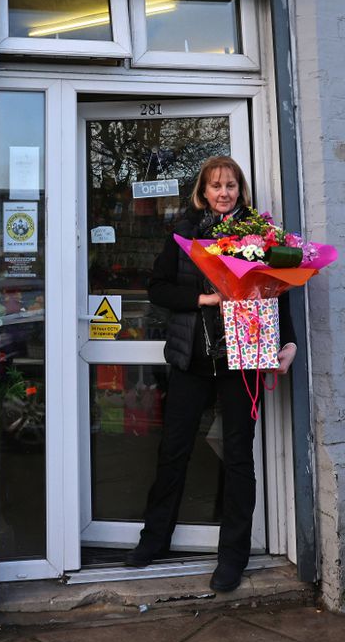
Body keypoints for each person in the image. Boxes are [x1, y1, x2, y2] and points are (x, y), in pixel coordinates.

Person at [126, 155, 296, 593]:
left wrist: (288, 342)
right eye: (216, 186)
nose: (224, 193)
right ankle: (155, 539)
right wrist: (201, 300)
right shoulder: (183, 232)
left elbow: (277, 293)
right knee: (174, 451)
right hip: (192, 361)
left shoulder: (258, 235)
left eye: (232, 186)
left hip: (242, 362)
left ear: (240, 191)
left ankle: (232, 557)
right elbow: (157, 288)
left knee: (238, 457)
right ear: (203, 191)